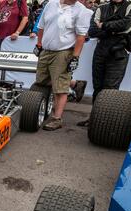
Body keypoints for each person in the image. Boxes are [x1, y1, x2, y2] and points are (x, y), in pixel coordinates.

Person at [78, 0, 131, 127]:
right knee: (98, 87)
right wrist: (114, 29)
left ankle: (105, 121)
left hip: (119, 52)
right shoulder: (101, 8)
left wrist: (104, 25)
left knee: (110, 88)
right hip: (101, 51)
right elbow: (93, 31)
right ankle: (94, 118)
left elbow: (127, 25)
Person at [33, 0, 91, 131]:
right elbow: (41, 26)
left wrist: (75, 57)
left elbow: (81, 36)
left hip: (64, 51)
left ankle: (57, 119)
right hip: (46, 50)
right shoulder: (51, 4)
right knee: (42, 81)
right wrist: (39, 44)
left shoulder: (81, 10)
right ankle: (75, 84)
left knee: (60, 87)